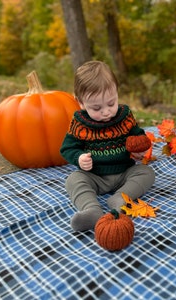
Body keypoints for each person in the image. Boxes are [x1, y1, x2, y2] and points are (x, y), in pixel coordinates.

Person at [60, 61, 155, 231]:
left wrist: (140, 149)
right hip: (96, 176)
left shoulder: (124, 116)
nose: (106, 112)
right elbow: (67, 148)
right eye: (96, 108)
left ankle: (120, 198)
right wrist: (79, 158)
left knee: (147, 173)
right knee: (73, 180)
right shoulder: (80, 124)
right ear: (80, 102)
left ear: (117, 93)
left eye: (111, 103)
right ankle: (91, 210)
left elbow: (138, 135)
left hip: (125, 172)